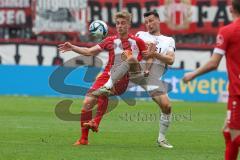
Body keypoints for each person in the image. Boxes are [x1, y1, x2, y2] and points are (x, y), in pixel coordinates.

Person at [58, 11, 147, 145]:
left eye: (123, 23)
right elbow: (89, 52)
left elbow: (147, 57)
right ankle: (83, 139)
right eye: (117, 23)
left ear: (129, 25)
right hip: (106, 74)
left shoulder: (138, 41)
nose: (120, 26)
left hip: (124, 77)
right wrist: (72, 47)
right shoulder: (110, 40)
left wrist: (145, 69)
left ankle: (96, 122)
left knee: (104, 91)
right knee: (87, 103)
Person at [94, 11, 176, 148]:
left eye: (151, 21)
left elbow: (171, 60)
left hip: (150, 78)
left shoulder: (168, 40)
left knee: (167, 106)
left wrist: (154, 53)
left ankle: (161, 139)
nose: (149, 24)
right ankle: (106, 87)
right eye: (146, 22)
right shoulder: (140, 35)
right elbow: (128, 51)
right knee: (101, 89)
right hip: (133, 71)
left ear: (158, 20)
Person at [183, 0, 240, 159]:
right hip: (235, 92)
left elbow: (214, 63)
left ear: (231, 8)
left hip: (238, 92)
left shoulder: (228, 30)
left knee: (235, 136)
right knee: (228, 131)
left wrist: (192, 74)